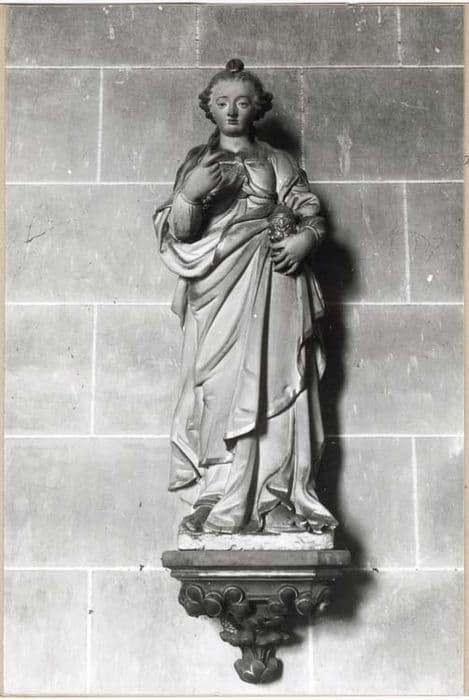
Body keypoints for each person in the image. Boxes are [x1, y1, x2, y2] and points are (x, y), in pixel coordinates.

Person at [154, 59, 338, 536]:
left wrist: (305, 240)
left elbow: (310, 213)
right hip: (217, 283)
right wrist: (189, 195)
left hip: (275, 279)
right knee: (218, 387)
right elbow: (180, 231)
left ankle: (274, 497)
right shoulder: (198, 161)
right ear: (209, 109)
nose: (232, 110)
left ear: (258, 109)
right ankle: (216, 494)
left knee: (277, 380)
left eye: (242, 102)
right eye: (222, 102)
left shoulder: (278, 161)